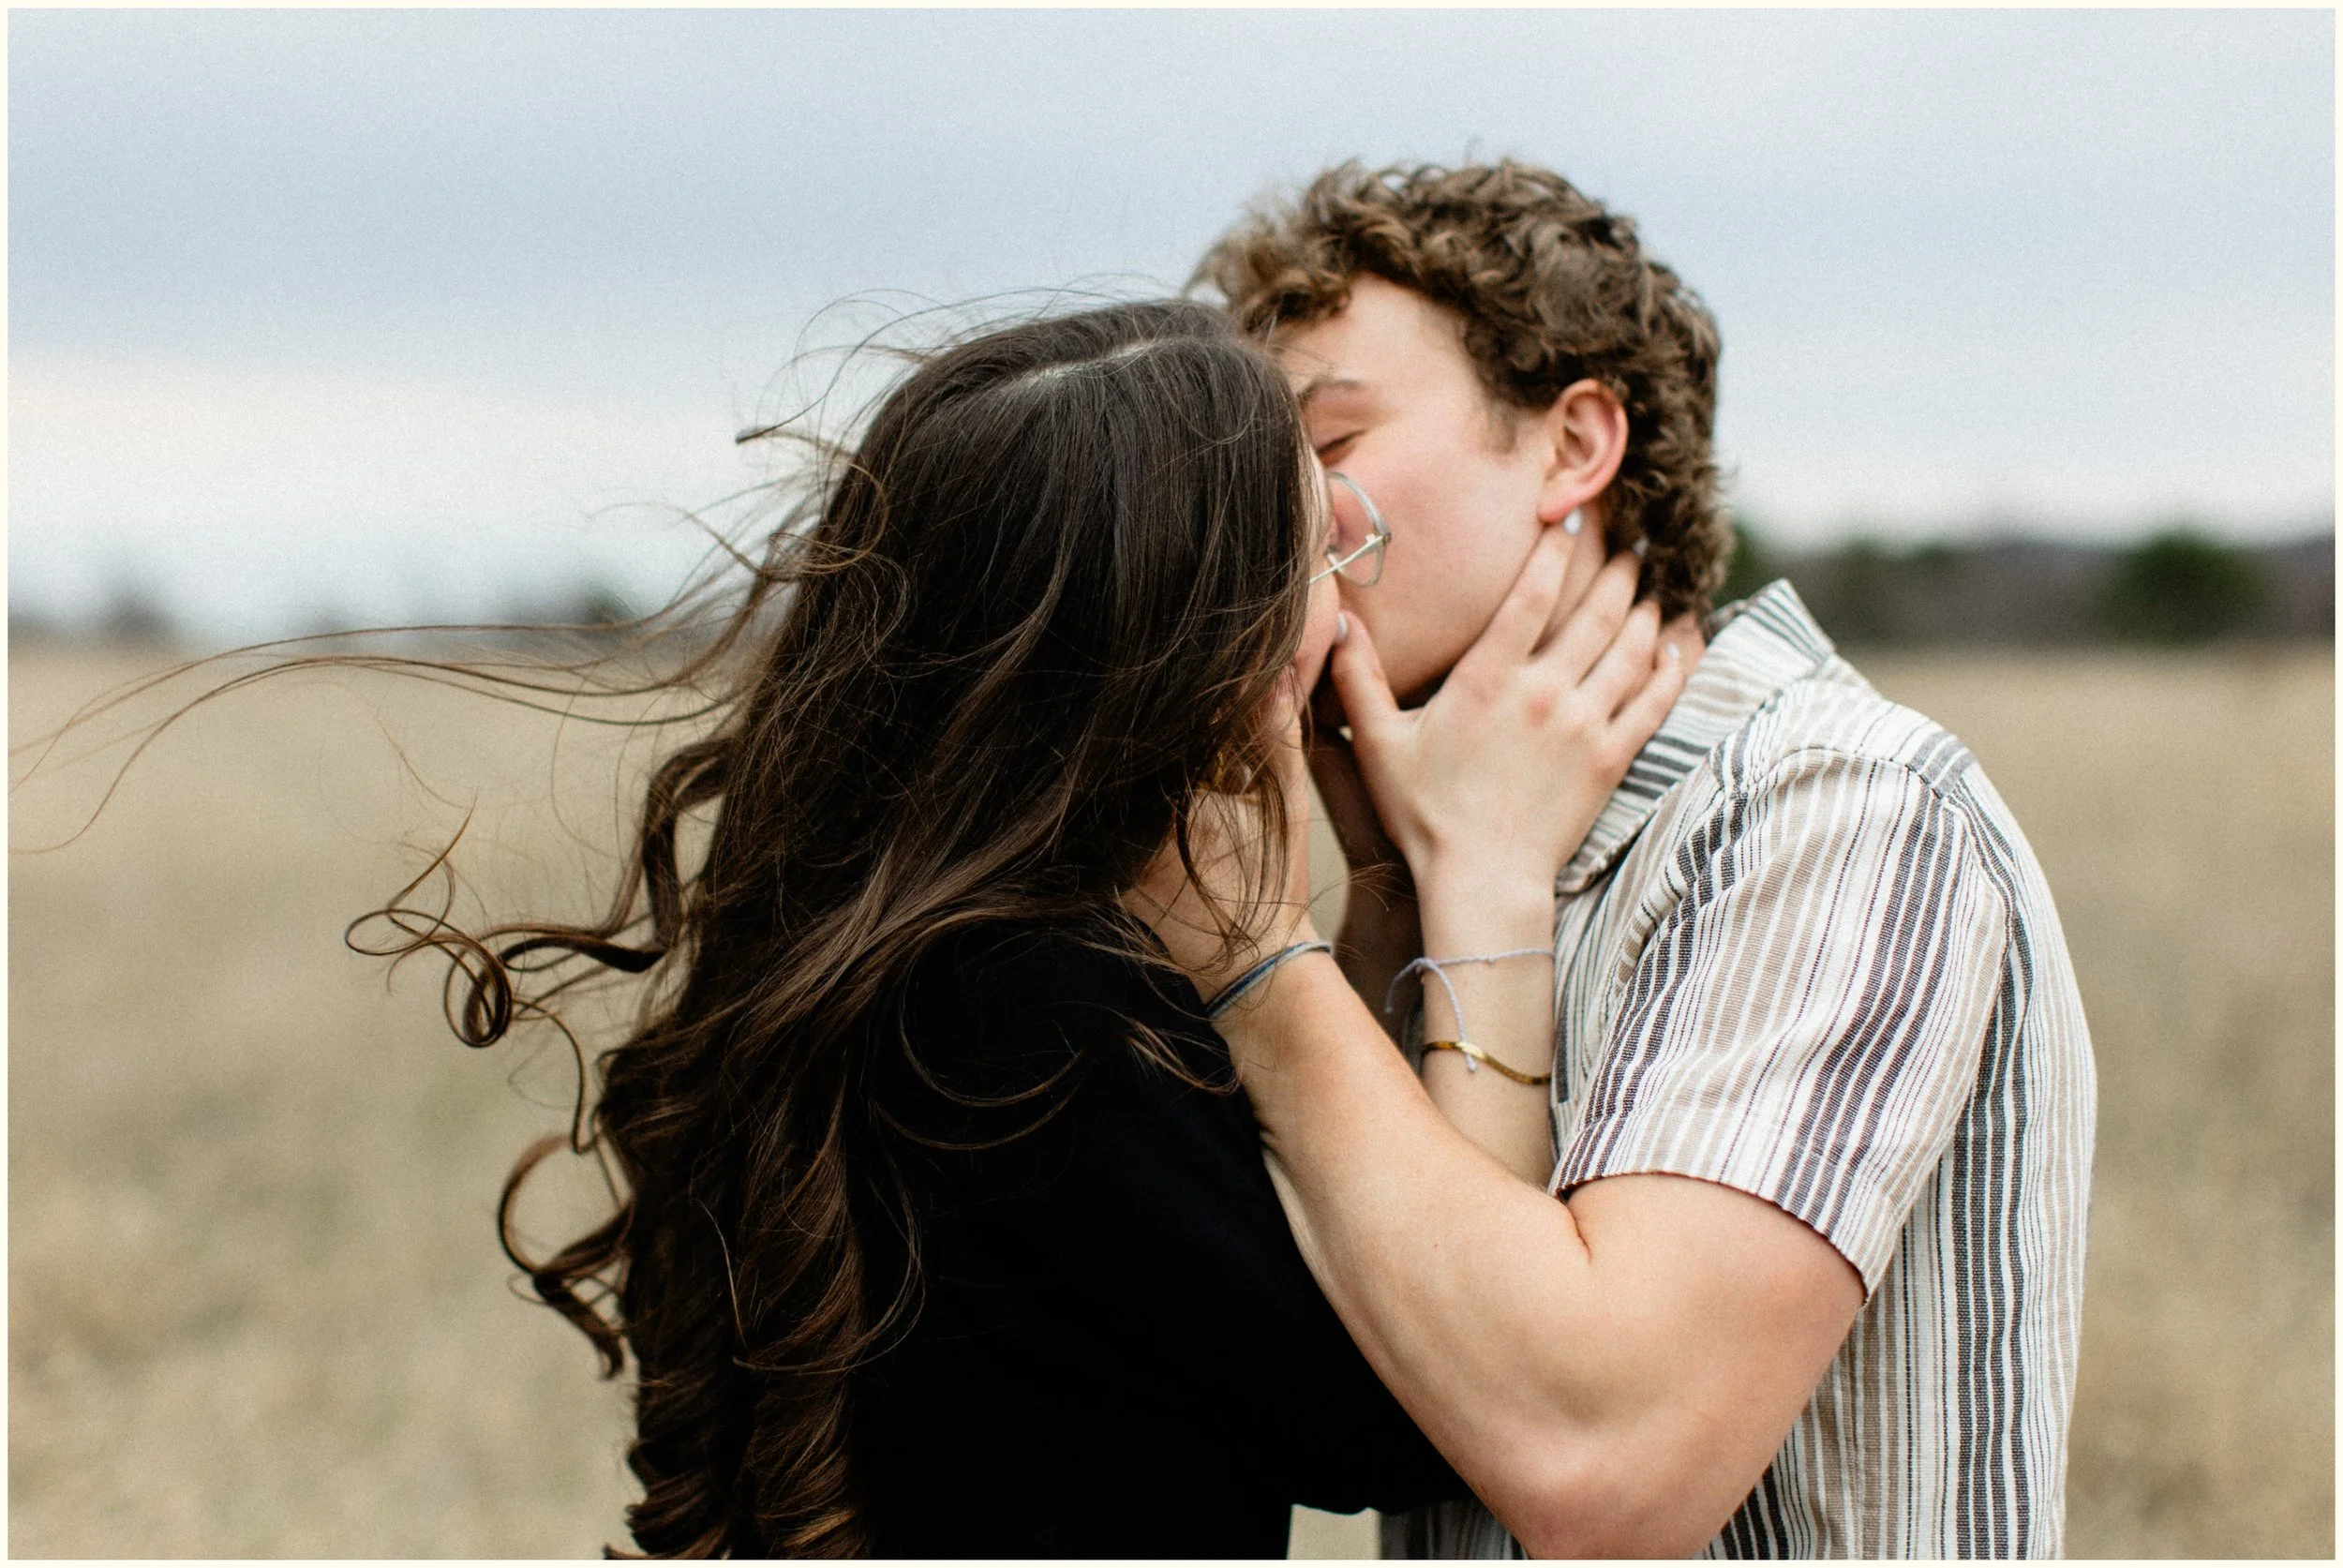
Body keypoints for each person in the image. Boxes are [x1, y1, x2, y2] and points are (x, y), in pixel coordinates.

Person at [357, 297, 1681, 1557]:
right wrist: (1469, 896)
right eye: (1321, 554)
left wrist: (1383, 882)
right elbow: (1422, 1418)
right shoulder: (1038, 1023)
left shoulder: (912, 945)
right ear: (1206, 642)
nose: (1346, 602)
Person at [1163, 160, 2097, 1558]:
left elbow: (1606, 1467)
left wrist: (1254, 969)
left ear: (1574, 447)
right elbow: (1363, 1400)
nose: (1278, 515)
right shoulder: (1422, 834)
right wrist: (1389, 895)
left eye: (1330, 444)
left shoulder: (1831, 807)